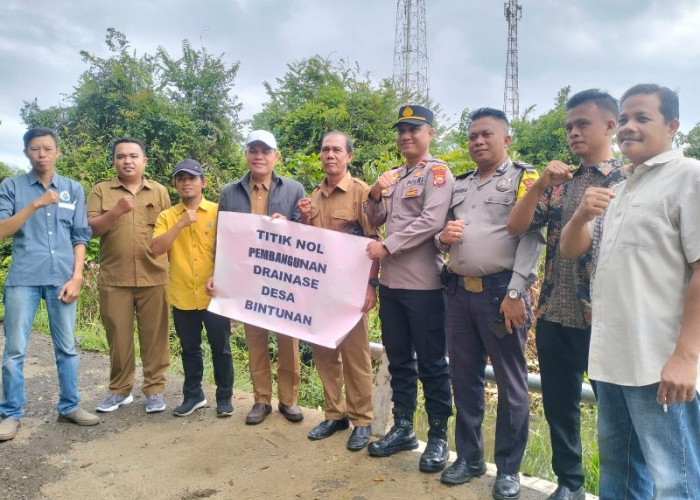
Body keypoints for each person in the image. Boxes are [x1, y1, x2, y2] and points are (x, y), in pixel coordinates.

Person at [561, 84, 700, 500]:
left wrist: (686, 357)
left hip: (658, 362)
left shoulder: (689, 177)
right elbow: (572, 250)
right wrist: (582, 214)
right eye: (623, 119)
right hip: (611, 359)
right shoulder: (619, 188)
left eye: (642, 118)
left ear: (672, 126)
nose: (628, 127)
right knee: (618, 473)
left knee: (675, 478)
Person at [506, 89, 627, 500]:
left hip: (605, 319)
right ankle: (570, 484)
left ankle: (620, 488)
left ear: (611, 126)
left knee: (616, 415)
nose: (574, 133)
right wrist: (540, 183)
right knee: (560, 407)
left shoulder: (628, 181)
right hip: (554, 312)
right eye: (569, 126)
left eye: (583, 124)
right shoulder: (560, 185)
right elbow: (517, 226)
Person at [436, 108, 543, 500]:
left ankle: (508, 470)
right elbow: (440, 238)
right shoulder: (459, 184)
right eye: (472, 136)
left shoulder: (523, 179)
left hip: (502, 296)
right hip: (460, 293)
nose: (478, 142)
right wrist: (442, 238)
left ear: (506, 139)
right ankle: (469, 458)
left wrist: (516, 293)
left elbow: (532, 238)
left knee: (512, 383)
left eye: (486, 134)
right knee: (463, 378)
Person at [364, 105, 454, 473]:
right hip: (391, 285)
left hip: (424, 286)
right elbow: (375, 220)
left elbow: (433, 220)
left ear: (429, 133)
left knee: (432, 363)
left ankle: (437, 438)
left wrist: (387, 246)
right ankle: (402, 428)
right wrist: (373, 194)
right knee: (398, 359)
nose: (406, 136)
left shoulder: (437, 173)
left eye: (414, 129)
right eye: (401, 130)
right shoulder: (396, 176)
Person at [0, 127, 99, 442]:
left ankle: (70, 406)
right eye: (34, 149)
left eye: (47, 149)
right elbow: (2, 229)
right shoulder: (12, 186)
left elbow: (80, 235)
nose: (41, 154)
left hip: (63, 279)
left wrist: (78, 276)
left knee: (67, 347)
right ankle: (11, 413)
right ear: (27, 153)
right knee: (15, 349)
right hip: (23, 280)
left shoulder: (73, 188)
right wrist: (35, 205)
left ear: (57, 152)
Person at [207, 130, 305, 425]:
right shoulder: (229, 192)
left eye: (265, 151)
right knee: (255, 340)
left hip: (283, 278)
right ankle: (261, 400)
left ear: (276, 156)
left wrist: (288, 225)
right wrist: (216, 273)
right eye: (253, 150)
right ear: (247, 154)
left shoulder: (294, 189)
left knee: (288, 341)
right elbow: (222, 236)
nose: (259, 156)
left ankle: (289, 400)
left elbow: (307, 233)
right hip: (248, 279)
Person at [297, 131, 379, 451]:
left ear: (349, 157)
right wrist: (303, 218)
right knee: (324, 353)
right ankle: (335, 413)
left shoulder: (362, 193)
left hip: (351, 291)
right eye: (325, 149)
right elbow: (305, 242)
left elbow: (374, 241)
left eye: (336, 150)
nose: (330, 154)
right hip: (319, 289)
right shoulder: (313, 196)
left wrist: (371, 286)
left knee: (355, 354)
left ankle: (362, 420)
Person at [87, 138, 171, 414]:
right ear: (114, 161)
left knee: (155, 337)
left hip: (154, 276)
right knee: (119, 339)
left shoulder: (159, 192)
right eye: (121, 156)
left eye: (134, 155)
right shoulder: (101, 190)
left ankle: (155, 390)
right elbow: (91, 230)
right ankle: (120, 391)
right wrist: (116, 212)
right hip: (114, 279)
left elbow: (169, 234)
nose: (127, 160)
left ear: (144, 161)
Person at [152, 159, 234, 418]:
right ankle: (193, 395)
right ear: (175, 184)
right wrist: (180, 224)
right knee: (189, 348)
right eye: (181, 178)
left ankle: (224, 398)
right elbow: (156, 249)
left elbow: (232, 249)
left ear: (203, 182)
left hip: (215, 294)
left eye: (192, 178)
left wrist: (219, 275)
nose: (187, 183)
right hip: (182, 294)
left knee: (221, 347)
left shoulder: (219, 212)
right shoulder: (167, 216)